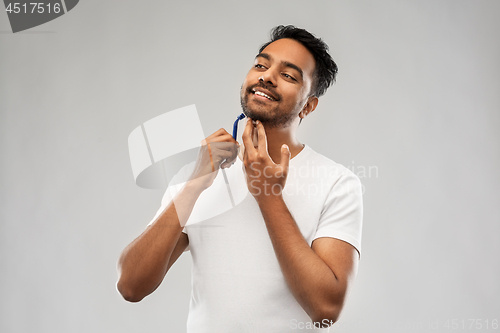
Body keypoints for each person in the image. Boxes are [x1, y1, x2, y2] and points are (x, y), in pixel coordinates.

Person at [116, 25, 363, 332]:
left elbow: (325, 310)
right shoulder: (200, 172)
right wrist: (194, 183)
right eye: (261, 64)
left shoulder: (337, 183)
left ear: (309, 105)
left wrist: (267, 195)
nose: (267, 76)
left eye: (288, 75)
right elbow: (131, 285)